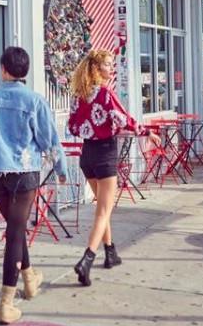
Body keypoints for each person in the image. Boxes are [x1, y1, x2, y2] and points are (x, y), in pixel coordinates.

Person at [0, 47, 67, 325]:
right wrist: (61, 169)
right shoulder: (35, 101)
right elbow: (49, 140)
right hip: (24, 173)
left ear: (3, 69)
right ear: (25, 70)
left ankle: (30, 278)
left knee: (14, 229)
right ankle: (6, 303)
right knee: (15, 231)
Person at [67, 49, 160, 287]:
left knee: (102, 206)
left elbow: (73, 127)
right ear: (97, 69)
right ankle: (87, 259)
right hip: (105, 153)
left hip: (87, 154)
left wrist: (93, 127)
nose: (112, 68)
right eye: (108, 65)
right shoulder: (105, 94)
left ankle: (110, 252)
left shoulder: (79, 95)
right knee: (104, 210)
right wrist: (147, 132)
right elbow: (124, 119)